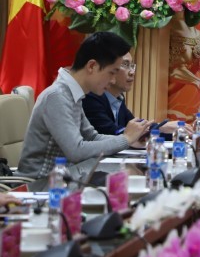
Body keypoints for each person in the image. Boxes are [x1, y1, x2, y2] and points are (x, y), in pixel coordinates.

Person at [17, 32, 151, 189]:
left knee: (128, 178)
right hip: (42, 185)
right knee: (124, 183)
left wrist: (128, 139)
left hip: (66, 178)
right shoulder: (57, 96)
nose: (113, 80)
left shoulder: (74, 93)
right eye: (111, 72)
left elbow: (92, 137)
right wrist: (125, 139)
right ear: (92, 66)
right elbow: (76, 150)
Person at [82, 52, 189, 138]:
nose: (132, 72)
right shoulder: (91, 97)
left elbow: (136, 127)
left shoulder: (118, 99)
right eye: (125, 65)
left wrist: (175, 133)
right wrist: (159, 128)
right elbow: (111, 132)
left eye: (132, 66)